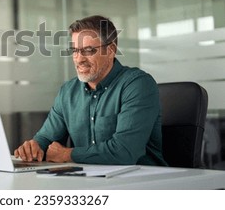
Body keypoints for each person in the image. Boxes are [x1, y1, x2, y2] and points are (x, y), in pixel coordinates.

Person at [14, 15, 167, 166]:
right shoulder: (68, 92)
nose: (79, 59)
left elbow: (124, 152)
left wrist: (68, 154)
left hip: (141, 181)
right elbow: (46, 140)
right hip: (88, 181)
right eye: (74, 50)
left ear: (111, 50)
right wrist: (34, 148)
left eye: (88, 50)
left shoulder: (137, 84)